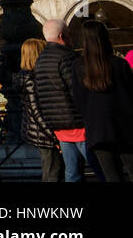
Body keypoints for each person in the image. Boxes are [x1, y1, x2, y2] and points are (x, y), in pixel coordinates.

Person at [35, 18, 98, 181]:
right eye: (70, 35)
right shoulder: (67, 57)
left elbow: (39, 97)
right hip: (78, 125)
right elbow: (77, 91)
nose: (72, 38)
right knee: (100, 168)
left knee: (72, 172)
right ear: (62, 36)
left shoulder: (40, 61)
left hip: (59, 129)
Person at [76, 20, 133, 181]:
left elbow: (78, 100)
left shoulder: (79, 68)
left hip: (97, 132)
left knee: (112, 177)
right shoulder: (120, 64)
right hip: (125, 130)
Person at [17, 37, 63, 181]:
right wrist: (54, 137)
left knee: (52, 169)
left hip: (38, 132)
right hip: (43, 134)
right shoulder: (32, 79)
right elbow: (37, 111)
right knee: (53, 171)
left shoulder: (26, 77)